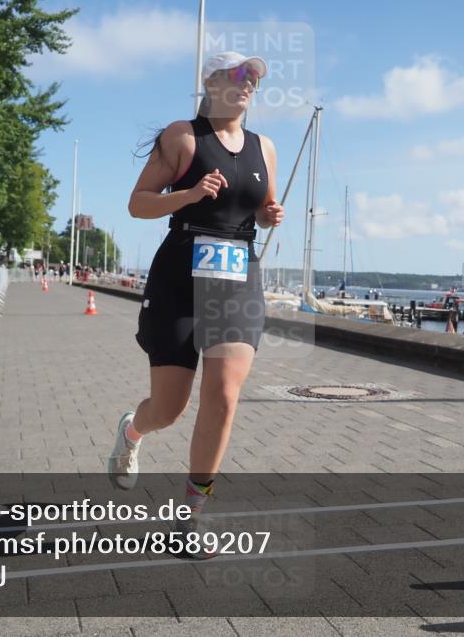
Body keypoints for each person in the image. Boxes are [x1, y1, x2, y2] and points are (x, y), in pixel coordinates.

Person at [108, 51, 284, 558]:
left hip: (237, 276)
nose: (248, 83)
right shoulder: (183, 136)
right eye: (238, 74)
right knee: (169, 408)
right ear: (209, 81)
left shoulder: (264, 147)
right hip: (180, 276)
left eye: (254, 77)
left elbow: (262, 209)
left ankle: (191, 517)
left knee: (224, 395)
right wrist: (186, 195)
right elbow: (138, 203)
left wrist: (271, 214)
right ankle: (132, 429)